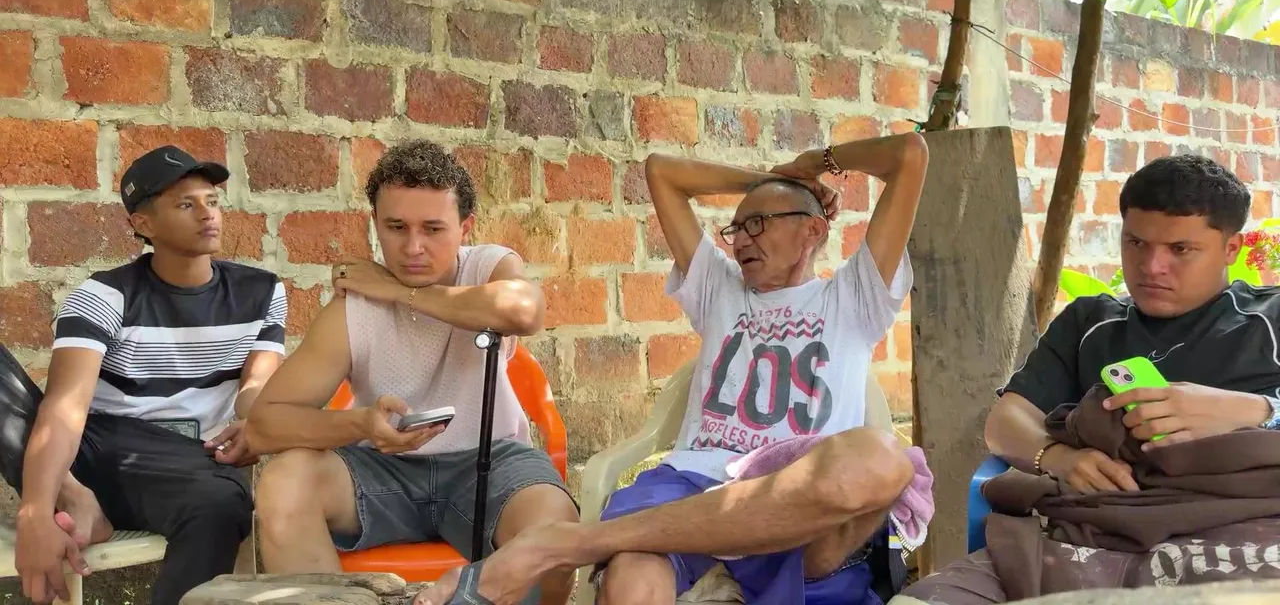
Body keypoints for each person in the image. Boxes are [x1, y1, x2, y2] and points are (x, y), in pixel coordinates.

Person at [411, 131, 931, 605]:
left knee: (884, 458)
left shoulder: (853, 299)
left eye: (757, 224)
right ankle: (588, 545)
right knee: (633, 579)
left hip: (794, 500)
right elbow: (661, 170)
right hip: (692, 483)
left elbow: (910, 154)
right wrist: (767, 181)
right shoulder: (720, 289)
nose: (740, 240)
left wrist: (811, 164)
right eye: (735, 229)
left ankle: (569, 543)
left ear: (812, 229)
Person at [895, 153, 1280, 605]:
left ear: (1231, 248)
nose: (1151, 266)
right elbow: (1005, 421)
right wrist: (1057, 457)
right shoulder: (1091, 321)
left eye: (1180, 249)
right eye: (1136, 242)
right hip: (1083, 534)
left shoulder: (1269, 317)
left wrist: (1255, 410)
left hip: (1234, 532)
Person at [244, 139, 579, 604]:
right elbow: (265, 424)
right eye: (396, 227)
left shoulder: (486, 267)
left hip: (492, 460)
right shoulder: (354, 307)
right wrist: (362, 424)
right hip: (382, 470)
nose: (412, 247)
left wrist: (400, 292)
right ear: (376, 223)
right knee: (284, 483)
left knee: (556, 531)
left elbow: (525, 311)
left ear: (465, 227)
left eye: (433, 229)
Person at [1, 145, 288, 605]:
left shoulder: (262, 291)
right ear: (143, 224)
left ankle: (73, 499)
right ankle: (71, 495)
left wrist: (259, 422)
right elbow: (65, 408)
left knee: (220, 505)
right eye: (186, 204)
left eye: (212, 201)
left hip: (197, 463)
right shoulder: (103, 295)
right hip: (102, 454)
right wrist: (34, 511)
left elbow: (255, 386)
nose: (207, 214)